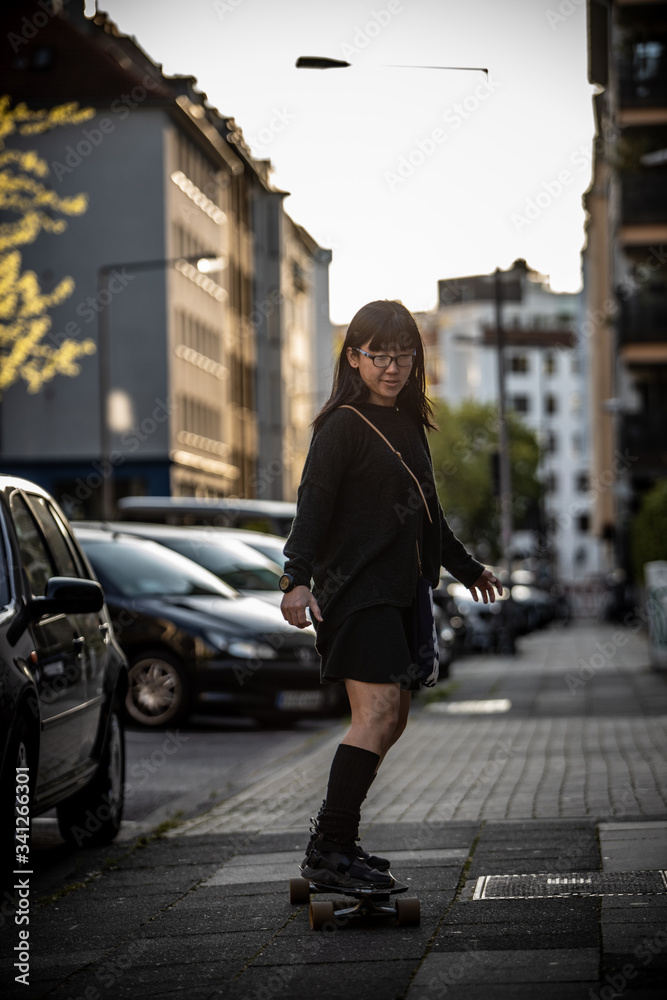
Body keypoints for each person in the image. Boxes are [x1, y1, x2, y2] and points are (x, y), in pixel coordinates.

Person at [279, 300, 502, 890]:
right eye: (379, 355)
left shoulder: (409, 426)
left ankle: (340, 840)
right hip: (355, 592)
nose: (392, 367)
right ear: (354, 357)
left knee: (394, 717)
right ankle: (328, 850)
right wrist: (295, 578)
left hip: (404, 594)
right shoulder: (341, 427)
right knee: (374, 714)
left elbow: (430, 518)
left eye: (404, 355)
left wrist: (468, 568)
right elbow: (313, 507)